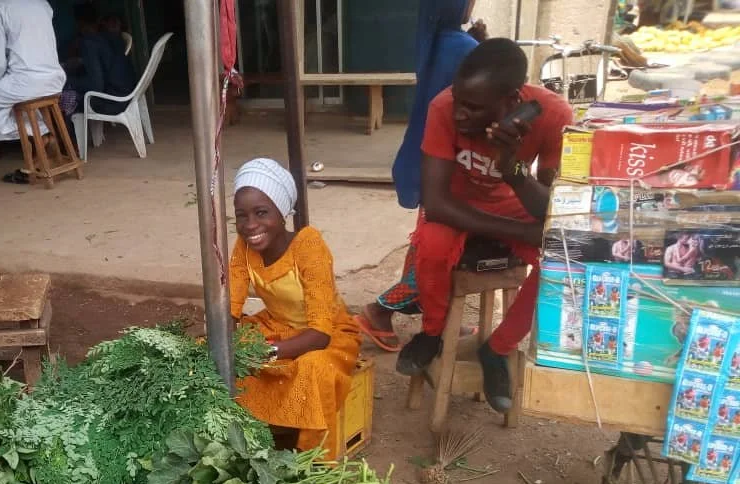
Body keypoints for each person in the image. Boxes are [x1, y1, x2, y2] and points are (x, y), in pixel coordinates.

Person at [392, 39, 573, 413]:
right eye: (459, 100)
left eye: (473, 108)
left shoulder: (554, 116)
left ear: (511, 101)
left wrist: (515, 170)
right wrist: (518, 233)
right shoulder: (442, 107)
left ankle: (498, 348)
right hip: (457, 207)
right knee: (432, 244)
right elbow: (437, 204)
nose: (459, 114)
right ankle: (432, 332)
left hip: (514, 207)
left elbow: (552, 210)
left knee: (560, 259)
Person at [356, 0, 487, 351]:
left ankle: (435, 318)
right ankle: (379, 310)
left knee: (424, 241)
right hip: (452, 166)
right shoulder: (465, 48)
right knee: (442, 251)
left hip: (428, 158)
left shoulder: (431, 41)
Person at [229, 159, 362, 459]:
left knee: (313, 369)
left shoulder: (308, 245)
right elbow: (231, 307)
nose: (250, 225)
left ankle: (309, 460)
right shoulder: (244, 246)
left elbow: (320, 334)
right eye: (241, 216)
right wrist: (227, 342)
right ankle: (253, 435)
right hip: (275, 325)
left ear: (283, 212)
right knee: (214, 354)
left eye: (261, 213)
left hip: (328, 332)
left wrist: (270, 352)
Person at [0, 0, 67, 146]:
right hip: (55, 79)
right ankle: (42, 133)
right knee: (16, 104)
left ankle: (38, 132)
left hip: (25, 83)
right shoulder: (42, 3)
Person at [64, 6, 136, 115]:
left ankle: (66, 132)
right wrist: (82, 62)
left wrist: (67, 82)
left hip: (113, 102)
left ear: (79, 24)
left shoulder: (88, 42)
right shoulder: (112, 36)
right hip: (131, 96)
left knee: (65, 97)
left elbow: (96, 86)